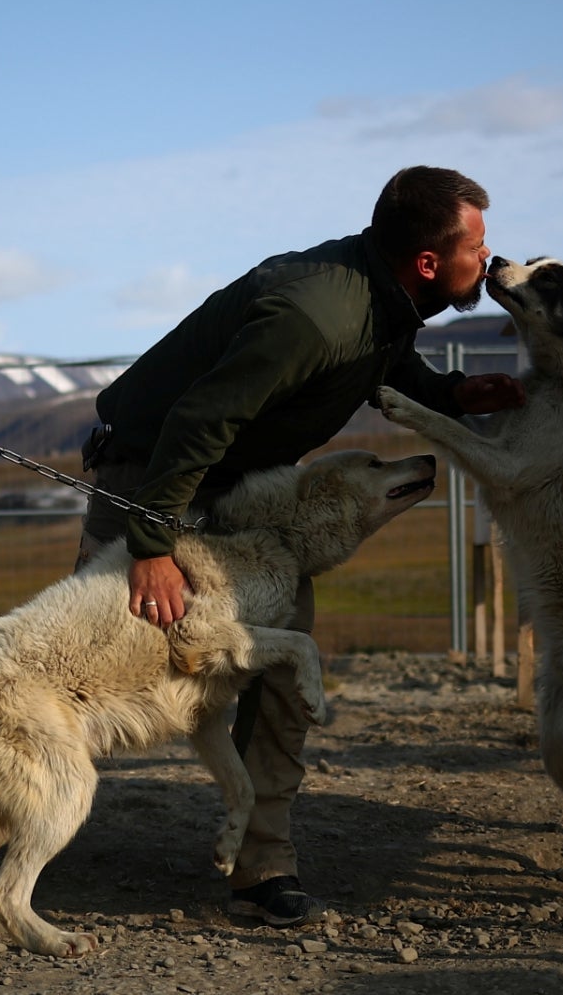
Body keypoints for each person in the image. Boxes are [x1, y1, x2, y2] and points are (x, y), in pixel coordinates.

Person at [77, 165, 524, 927]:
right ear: (427, 261)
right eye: (475, 246)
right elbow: (200, 419)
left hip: (251, 487)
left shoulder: (385, 296)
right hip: (157, 474)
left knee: (282, 662)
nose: (488, 257)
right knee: (88, 665)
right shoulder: (315, 313)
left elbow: (382, 359)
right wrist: (151, 544)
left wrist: (449, 394)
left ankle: (262, 864)